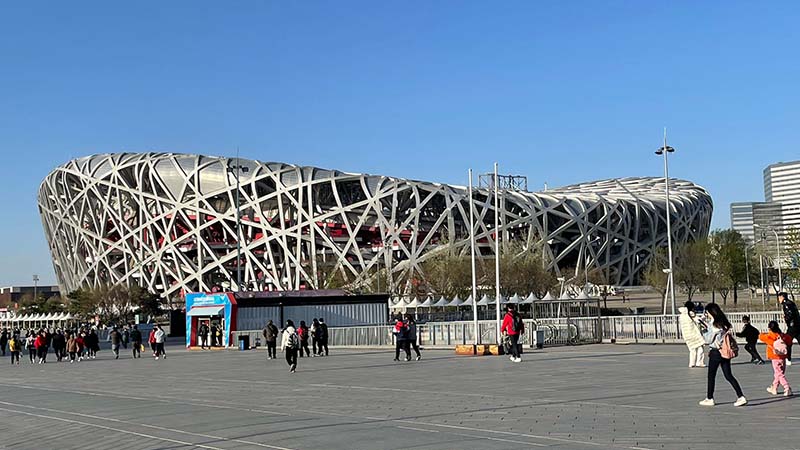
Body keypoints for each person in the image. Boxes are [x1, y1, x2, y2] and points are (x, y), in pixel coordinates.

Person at [698, 303, 747, 407]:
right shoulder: (724, 323)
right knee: (728, 375)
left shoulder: (714, 325)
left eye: (707, 312)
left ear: (711, 312)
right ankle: (741, 396)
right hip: (724, 352)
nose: (706, 314)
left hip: (716, 352)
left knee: (711, 376)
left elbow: (709, 340)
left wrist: (703, 330)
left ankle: (709, 398)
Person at [759, 320, 793, 397]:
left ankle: (786, 387)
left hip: (774, 357)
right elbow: (789, 340)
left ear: (770, 328)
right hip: (783, 357)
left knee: (779, 374)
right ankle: (774, 388)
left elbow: (760, 336)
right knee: (779, 373)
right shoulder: (782, 336)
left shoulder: (769, 336)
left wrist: (763, 333)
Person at [679, 301, 706, 368]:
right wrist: (703, 317)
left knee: (692, 349)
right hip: (694, 333)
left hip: (686, 335)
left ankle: (692, 363)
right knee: (700, 347)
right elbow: (698, 320)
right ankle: (699, 362)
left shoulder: (681, 315)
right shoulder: (691, 314)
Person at [778, 292, 800, 365]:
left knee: (787, 342)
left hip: (792, 326)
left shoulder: (786, 304)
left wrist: (785, 318)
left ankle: (788, 359)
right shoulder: (791, 303)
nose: (779, 299)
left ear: (782, 297)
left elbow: (790, 314)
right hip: (797, 325)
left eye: (779, 298)